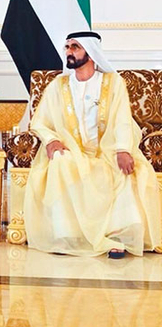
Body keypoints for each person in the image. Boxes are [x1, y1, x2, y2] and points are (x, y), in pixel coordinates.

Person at [24, 31, 162, 258]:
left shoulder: (113, 83)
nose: (69, 52)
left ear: (90, 52)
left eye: (75, 47)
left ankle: (118, 237)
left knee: (124, 169)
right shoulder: (59, 86)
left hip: (107, 150)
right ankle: (67, 235)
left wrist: (123, 149)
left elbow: (122, 119)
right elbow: (39, 121)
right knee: (59, 161)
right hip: (73, 151)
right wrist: (51, 139)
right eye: (67, 47)